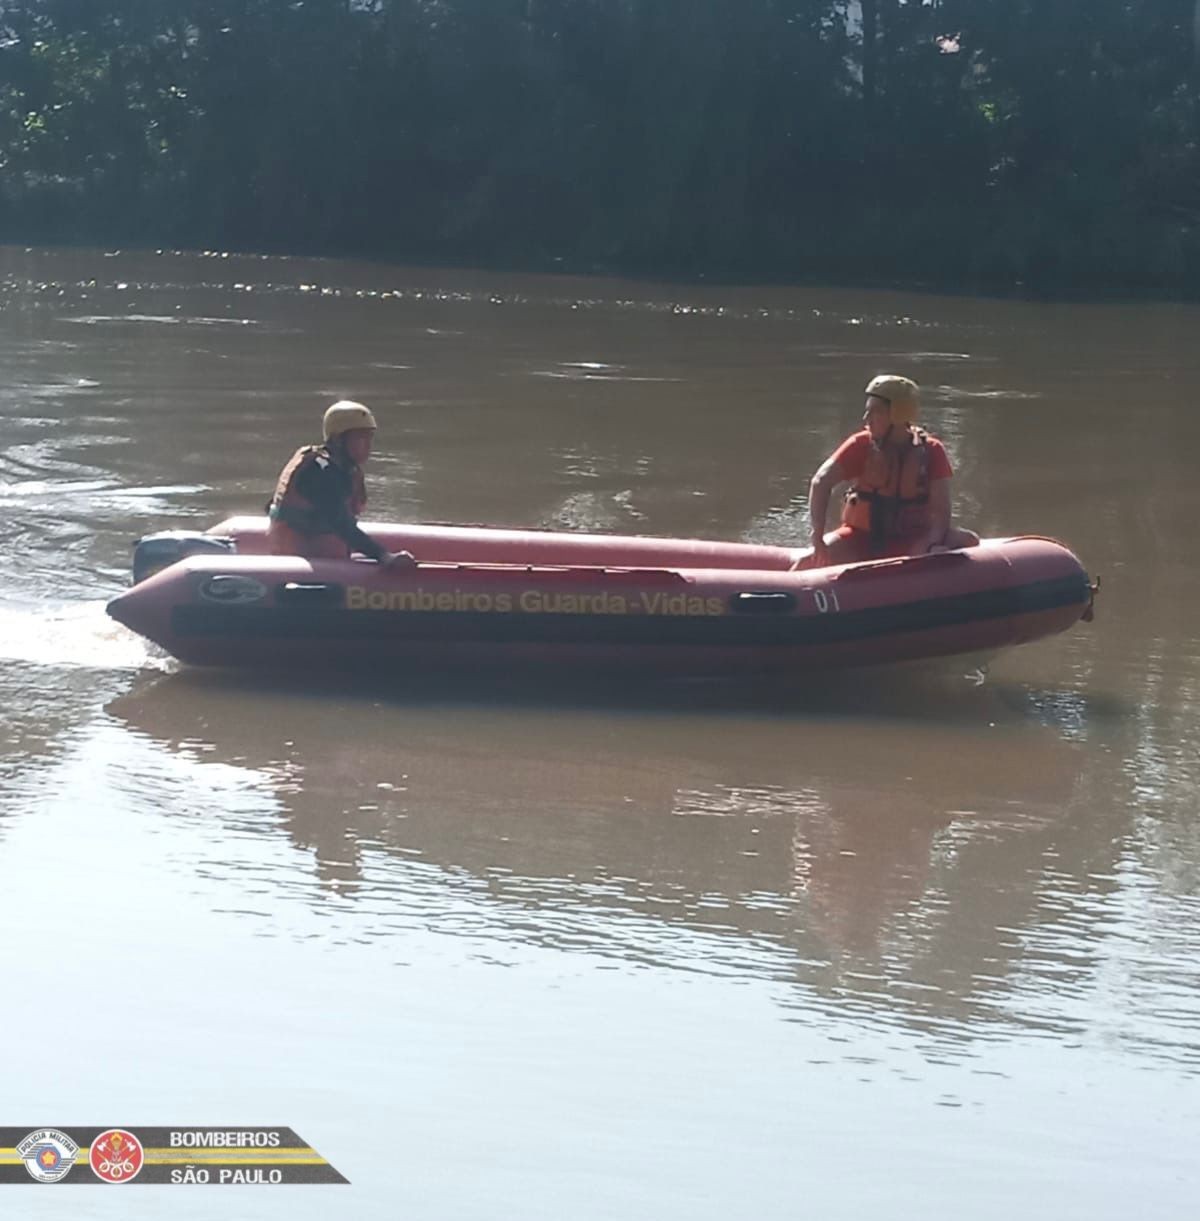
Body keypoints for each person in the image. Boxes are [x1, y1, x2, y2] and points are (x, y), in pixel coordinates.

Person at [801, 375, 979, 569]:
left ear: (898, 415)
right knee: (806, 562)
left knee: (968, 540)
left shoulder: (931, 450)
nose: (866, 418)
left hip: (912, 538)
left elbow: (942, 512)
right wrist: (817, 535)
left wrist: (931, 544)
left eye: (875, 411)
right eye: (867, 411)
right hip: (860, 538)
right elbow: (821, 482)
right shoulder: (860, 445)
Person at [266, 400, 414, 567]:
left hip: (326, 557)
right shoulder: (319, 472)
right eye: (360, 437)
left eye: (369, 438)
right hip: (300, 566)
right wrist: (384, 556)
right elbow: (341, 524)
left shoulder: (344, 470)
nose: (368, 445)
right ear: (338, 439)